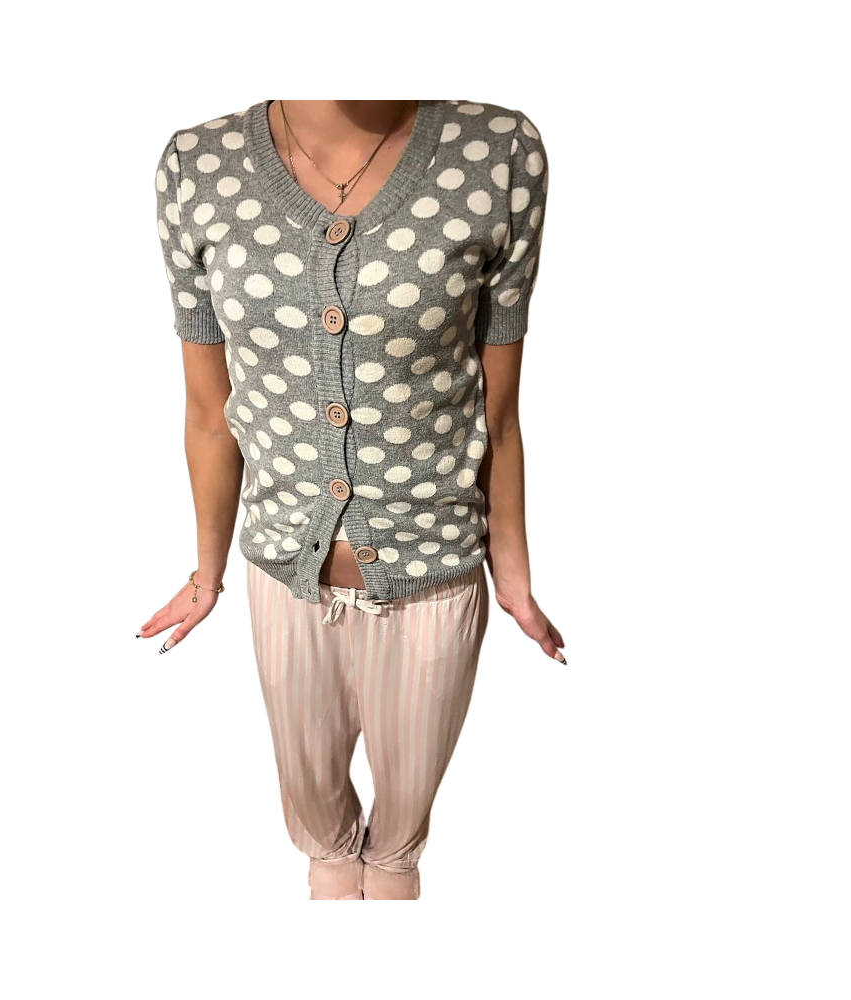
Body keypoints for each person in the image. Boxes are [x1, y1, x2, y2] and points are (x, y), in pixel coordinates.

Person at [142, 100, 567, 900]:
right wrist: (205, 574)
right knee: (321, 842)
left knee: (400, 846)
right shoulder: (197, 165)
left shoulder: (498, 152)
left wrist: (513, 573)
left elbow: (501, 412)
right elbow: (207, 409)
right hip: (283, 576)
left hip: (437, 575)